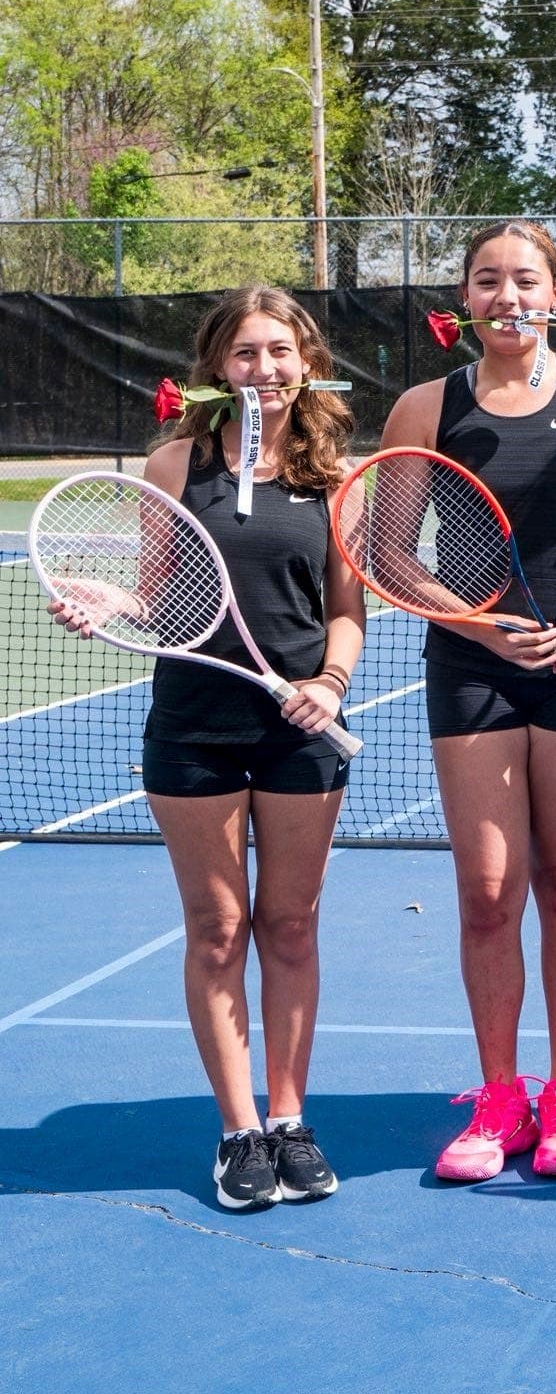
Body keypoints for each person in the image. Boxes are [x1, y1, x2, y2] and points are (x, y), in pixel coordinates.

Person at [48, 287, 362, 1210]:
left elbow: (346, 612)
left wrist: (329, 685)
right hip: (193, 726)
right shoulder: (173, 463)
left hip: (302, 727)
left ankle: (292, 1120)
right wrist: (114, 608)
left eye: (278, 351)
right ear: (217, 368)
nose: (262, 369)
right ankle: (239, 1133)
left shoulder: (336, 474)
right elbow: (160, 600)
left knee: (292, 924)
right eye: (243, 353)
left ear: (306, 362)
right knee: (219, 929)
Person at [380, 220, 556, 1182]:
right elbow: (387, 553)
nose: (508, 297)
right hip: (473, 667)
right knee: (489, 892)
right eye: (488, 281)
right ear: (464, 298)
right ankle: (500, 1096)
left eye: (526, 280)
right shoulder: (426, 406)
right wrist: (479, 629)